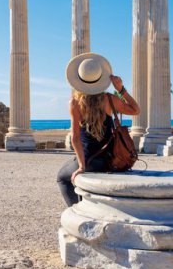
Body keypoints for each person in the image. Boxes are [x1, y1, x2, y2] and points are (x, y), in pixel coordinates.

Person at [56, 52, 140, 206]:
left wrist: (82, 166)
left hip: (89, 160)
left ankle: (76, 211)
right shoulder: (109, 99)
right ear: (100, 78)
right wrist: (121, 89)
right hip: (109, 160)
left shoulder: (75, 103)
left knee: (62, 178)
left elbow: (75, 138)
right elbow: (135, 110)